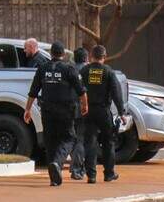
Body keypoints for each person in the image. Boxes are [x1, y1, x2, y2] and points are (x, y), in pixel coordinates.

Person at [24, 41, 88, 186]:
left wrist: (27, 110)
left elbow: (33, 92)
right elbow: (81, 91)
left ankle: (54, 177)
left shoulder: (42, 68)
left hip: (47, 111)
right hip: (65, 110)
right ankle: (57, 163)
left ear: (51, 53)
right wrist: (85, 105)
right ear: (63, 54)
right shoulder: (69, 69)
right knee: (69, 138)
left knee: (50, 141)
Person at [80, 45, 126, 184]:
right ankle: (109, 174)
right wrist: (121, 112)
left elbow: (78, 89)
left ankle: (91, 176)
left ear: (91, 56)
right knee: (108, 142)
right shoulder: (108, 72)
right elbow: (117, 94)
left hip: (88, 111)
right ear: (104, 57)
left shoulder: (84, 70)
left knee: (90, 143)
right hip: (103, 111)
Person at [70, 47, 89, 180]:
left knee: (70, 138)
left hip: (68, 108)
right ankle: (77, 168)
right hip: (83, 108)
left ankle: (74, 165)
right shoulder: (89, 71)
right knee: (80, 140)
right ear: (86, 58)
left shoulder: (69, 70)